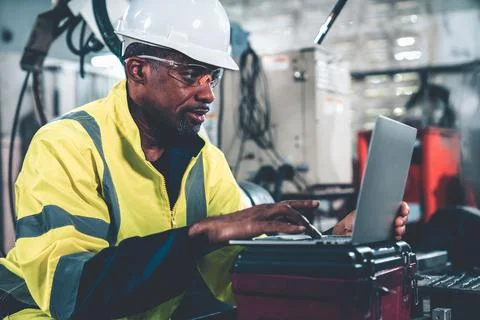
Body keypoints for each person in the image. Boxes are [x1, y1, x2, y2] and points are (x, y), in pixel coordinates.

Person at [0, 0, 409, 319]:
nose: (208, 93)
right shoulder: (67, 144)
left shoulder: (204, 160)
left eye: (211, 76)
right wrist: (201, 234)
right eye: (190, 73)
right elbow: (71, 293)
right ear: (138, 70)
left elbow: (236, 273)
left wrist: (333, 247)